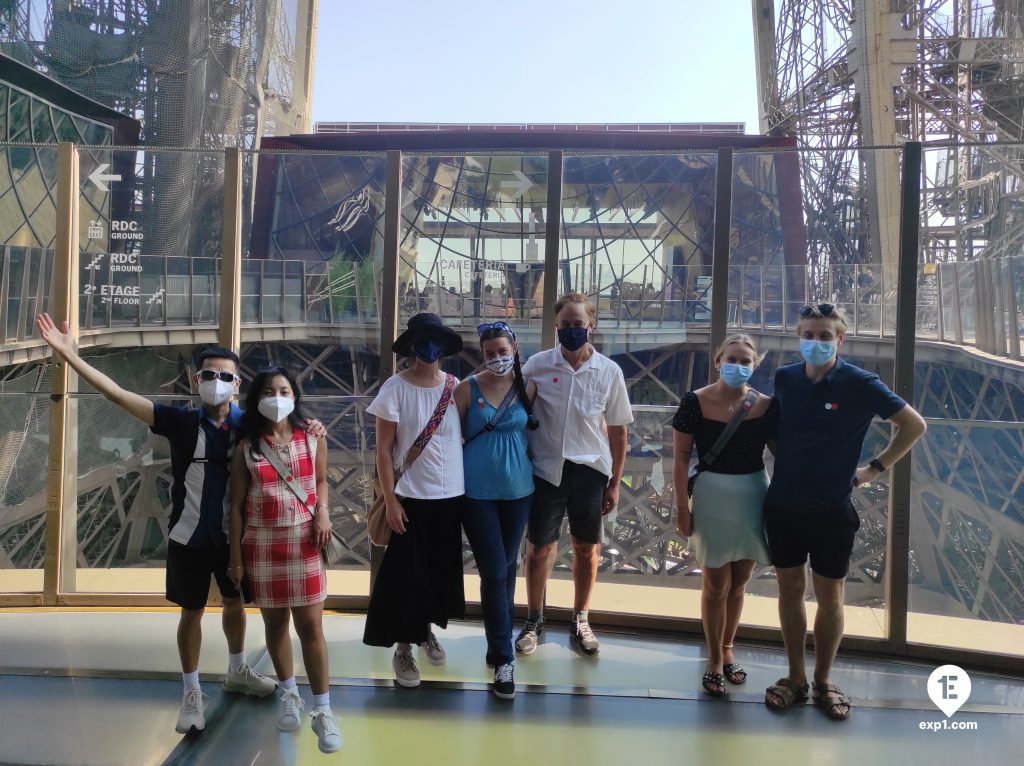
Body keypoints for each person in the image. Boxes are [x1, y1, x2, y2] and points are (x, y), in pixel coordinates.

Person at [35, 313, 282, 733]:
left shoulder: (250, 425)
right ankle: (190, 691)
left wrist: (314, 426)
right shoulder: (180, 421)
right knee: (191, 610)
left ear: (238, 384)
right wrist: (70, 356)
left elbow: (294, 429)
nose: (215, 382)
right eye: (207, 375)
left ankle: (237, 670)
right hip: (188, 533)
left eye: (224, 376)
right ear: (193, 380)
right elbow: (116, 393)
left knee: (236, 602)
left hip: (234, 537)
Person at [763, 303, 926, 720]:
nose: (815, 342)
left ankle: (823, 679)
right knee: (789, 592)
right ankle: (796, 677)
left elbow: (914, 425)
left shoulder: (859, 382)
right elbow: (775, 430)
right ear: (798, 336)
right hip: (783, 504)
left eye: (824, 336)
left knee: (830, 597)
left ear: (840, 339)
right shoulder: (784, 378)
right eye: (808, 334)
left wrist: (874, 469)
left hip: (831, 510)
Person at [227, 366, 340, 753]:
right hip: (262, 545)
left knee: (311, 627)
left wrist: (324, 512)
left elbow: (321, 481)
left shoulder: (313, 436)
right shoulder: (247, 447)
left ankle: (323, 710)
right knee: (275, 625)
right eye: (269, 391)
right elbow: (237, 507)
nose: (277, 396)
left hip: (306, 540)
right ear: (256, 400)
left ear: (295, 395)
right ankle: (290, 694)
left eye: (284, 389)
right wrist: (236, 558)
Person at [515, 293, 633, 656]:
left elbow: (618, 431)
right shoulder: (537, 364)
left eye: (577, 325)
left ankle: (581, 618)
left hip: (589, 471)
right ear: (556, 326)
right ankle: (534, 618)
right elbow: (515, 410)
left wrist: (615, 482)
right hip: (545, 469)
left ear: (590, 326)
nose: (570, 330)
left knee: (587, 548)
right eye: (564, 325)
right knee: (538, 549)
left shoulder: (609, 371)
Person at [363, 312, 466, 688]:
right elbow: (384, 451)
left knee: (438, 573)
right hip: (411, 497)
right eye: (421, 339)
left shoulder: (457, 388)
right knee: (406, 576)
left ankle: (423, 632)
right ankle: (403, 647)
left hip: (451, 495)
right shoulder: (396, 387)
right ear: (411, 344)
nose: (428, 346)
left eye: (434, 339)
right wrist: (390, 500)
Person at [672, 334, 775, 696]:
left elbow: (782, 452)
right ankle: (715, 657)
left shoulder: (765, 405)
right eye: (732, 358)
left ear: (755, 365)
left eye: (746, 361)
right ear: (718, 361)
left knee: (739, 583)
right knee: (716, 585)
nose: (738, 365)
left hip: (752, 495)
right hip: (713, 495)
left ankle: (728, 648)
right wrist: (682, 507)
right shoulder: (694, 402)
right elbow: (682, 458)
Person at [454, 321, 537, 699]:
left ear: (515, 348)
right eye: (490, 353)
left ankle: (496, 642)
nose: (498, 358)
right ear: (481, 354)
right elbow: (448, 440)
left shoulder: (527, 387)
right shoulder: (465, 390)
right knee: (493, 569)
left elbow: (535, 435)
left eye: (503, 351)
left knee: (508, 567)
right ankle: (505, 659)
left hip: (520, 489)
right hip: (476, 492)